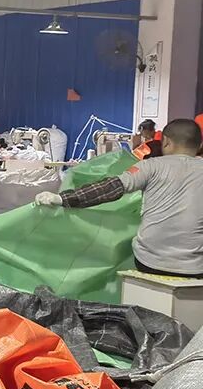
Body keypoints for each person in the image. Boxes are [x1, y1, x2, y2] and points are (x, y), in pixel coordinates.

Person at [36, 118, 203, 277]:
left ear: (165, 142)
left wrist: (62, 198)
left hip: (150, 262)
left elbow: (111, 188)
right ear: (200, 144)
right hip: (196, 267)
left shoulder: (150, 166)